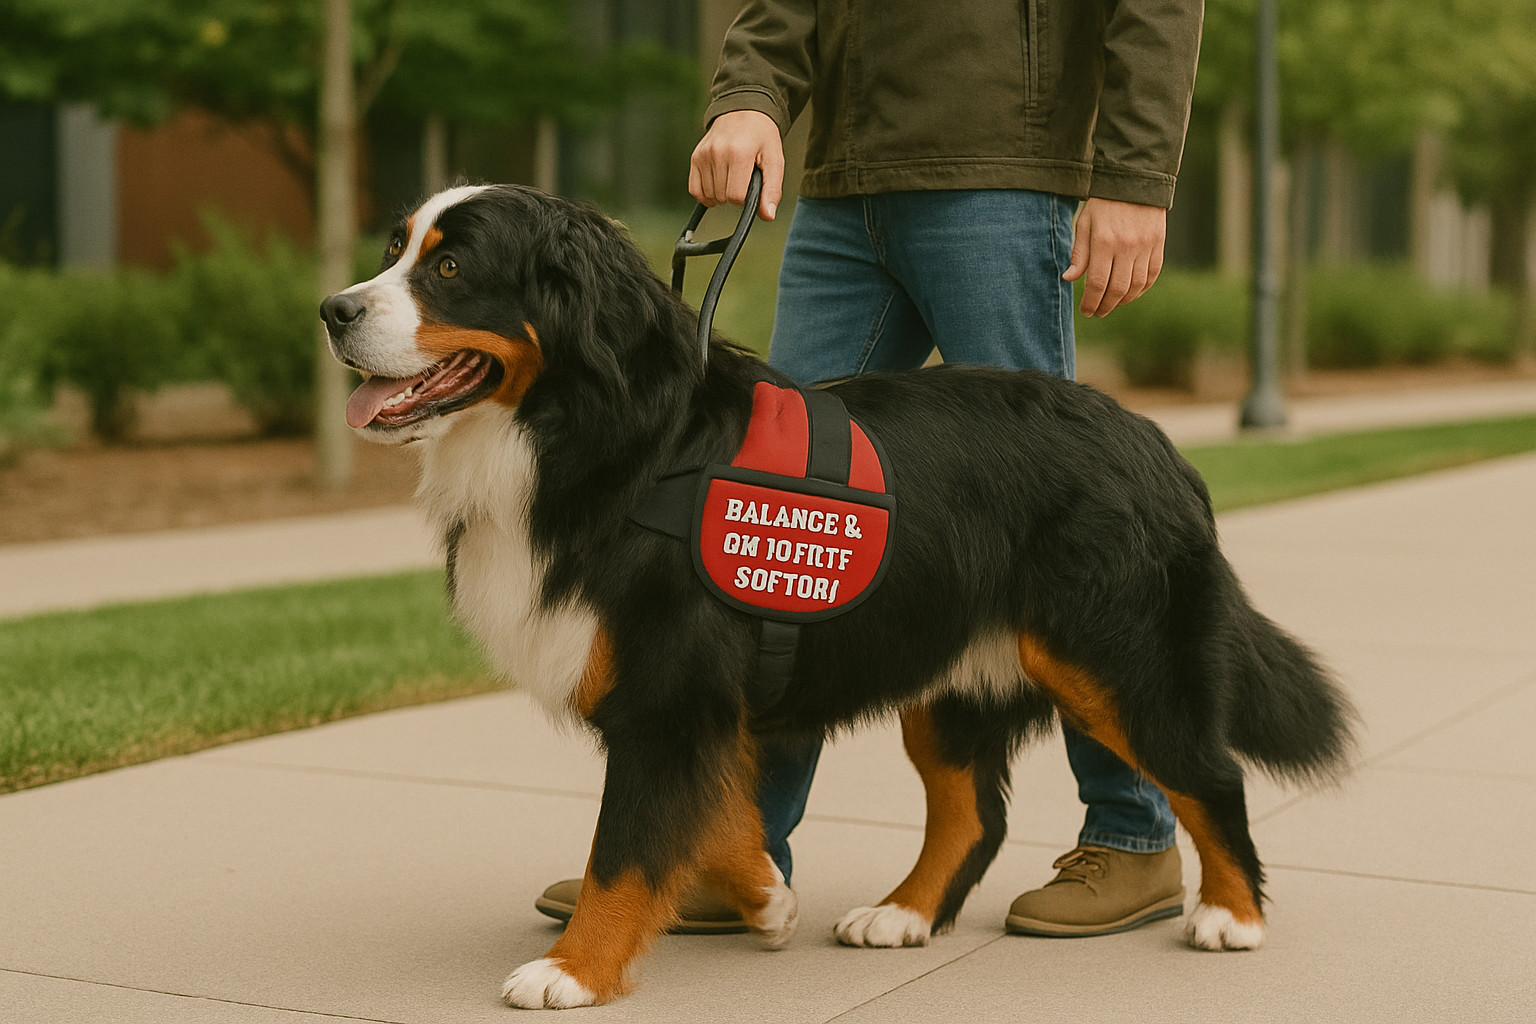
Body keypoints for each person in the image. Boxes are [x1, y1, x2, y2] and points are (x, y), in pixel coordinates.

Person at [539, 0, 1204, 938]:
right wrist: (751, 98)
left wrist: (1134, 176)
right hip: (845, 190)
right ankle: (733, 842)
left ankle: (1135, 836)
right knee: (764, 529)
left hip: (1002, 185)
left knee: (1054, 532)